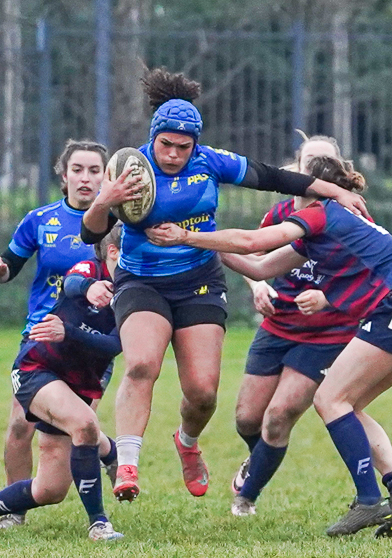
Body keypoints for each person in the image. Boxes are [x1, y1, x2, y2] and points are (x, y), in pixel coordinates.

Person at [80, 67, 369, 503]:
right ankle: (127, 465)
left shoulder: (211, 162)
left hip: (199, 280)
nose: (174, 154)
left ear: (194, 144)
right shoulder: (130, 170)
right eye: (166, 145)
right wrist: (104, 200)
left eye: (183, 146)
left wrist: (335, 191)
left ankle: (187, 442)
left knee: (203, 393)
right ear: (153, 137)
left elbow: (276, 177)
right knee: (142, 364)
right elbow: (90, 234)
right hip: (142, 282)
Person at [148, 154, 392, 538]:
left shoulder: (323, 213)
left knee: (329, 400)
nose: (290, 191)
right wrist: (202, 245)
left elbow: (252, 240)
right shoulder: (323, 230)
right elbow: (258, 265)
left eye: (296, 184)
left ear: (313, 191)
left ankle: (369, 500)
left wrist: (186, 235)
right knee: (346, 406)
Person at [229, 137, 392, 519]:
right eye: (306, 163)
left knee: (279, 416)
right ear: (295, 170)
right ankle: (258, 458)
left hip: (328, 333)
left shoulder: (349, 214)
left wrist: (327, 297)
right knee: (247, 417)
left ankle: (247, 495)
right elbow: (255, 258)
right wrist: (258, 286)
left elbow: (366, 273)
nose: (311, 172)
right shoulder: (281, 214)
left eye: (321, 164)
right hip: (278, 326)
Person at [0, 140, 138, 529]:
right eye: (78, 170)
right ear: (63, 175)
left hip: (91, 342)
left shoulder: (120, 226)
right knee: (20, 424)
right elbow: (11, 268)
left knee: (77, 425)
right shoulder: (40, 219)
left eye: (94, 170)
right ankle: (13, 509)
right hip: (43, 335)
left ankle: (101, 459)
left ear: (107, 176)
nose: (86, 178)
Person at [0, 226, 125, 541]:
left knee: (49, 489)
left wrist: (70, 332)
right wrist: (89, 288)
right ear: (114, 252)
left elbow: (116, 345)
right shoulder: (91, 268)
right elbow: (73, 282)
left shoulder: (133, 290)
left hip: (78, 383)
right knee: (86, 425)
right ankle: (98, 523)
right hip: (37, 368)